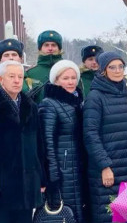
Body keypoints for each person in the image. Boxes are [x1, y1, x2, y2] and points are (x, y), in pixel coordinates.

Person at [83, 52, 127, 223]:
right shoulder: (95, 97)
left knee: (126, 217)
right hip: (107, 171)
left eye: (121, 66)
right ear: (103, 70)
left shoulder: (125, 92)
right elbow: (90, 134)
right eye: (112, 67)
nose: (117, 71)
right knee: (108, 217)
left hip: (126, 169)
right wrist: (104, 166)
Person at [39, 60, 87, 223]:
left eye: (74, 77)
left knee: (77, 213)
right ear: (56, 80)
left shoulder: (77, 103)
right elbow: (47, 143)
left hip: (77, 168)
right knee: (64, 214)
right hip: (62, 170)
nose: (71, 82)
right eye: (65, 78)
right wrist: (53, 177)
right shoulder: (49, 104)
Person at [0, 60, 46, 223]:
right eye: (11, 76)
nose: (17, 80)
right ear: (1, 79)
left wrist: (41, 177)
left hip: (27, 182)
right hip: (4, 182)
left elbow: (38, 144)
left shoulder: (30, 106)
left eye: (20, 76)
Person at [25, 30, 63, 103]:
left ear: (59, 48)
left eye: (54, 45)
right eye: (46, 45)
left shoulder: (69, 70)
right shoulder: (31, 73)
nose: (50, 48)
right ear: (40, 48)